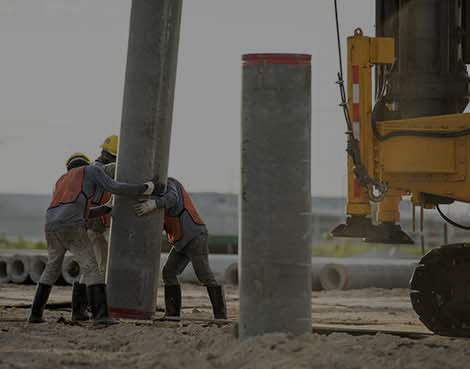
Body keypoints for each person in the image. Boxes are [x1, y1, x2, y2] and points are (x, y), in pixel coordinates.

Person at [29, 152, 157, 326]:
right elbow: (115, 187)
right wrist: (145, 188)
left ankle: (35, 315)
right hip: (72, 226)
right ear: (85, 163)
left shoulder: (62, 180)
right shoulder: (90, 170)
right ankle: (101, 316)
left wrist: (105, 209)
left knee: (51, 268)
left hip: (51, 225)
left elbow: (80, 212)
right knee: (91, 269)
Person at [134, 177, 227, 319]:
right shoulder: (155, 194)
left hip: (194, 236)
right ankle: (172, 314)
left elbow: (172, 198)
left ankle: (220, 315)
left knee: (204, 275)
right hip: (180, 240)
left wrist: (154, 204)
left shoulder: (170, 183)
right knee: (169, 273)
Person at [72, 136, 117, 322]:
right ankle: (90, 310)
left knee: (90, 268)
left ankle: (81, 310)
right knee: (96, 269)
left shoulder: (93, 169)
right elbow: (113, 172)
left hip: (89, 227)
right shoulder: (99, 170)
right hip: (93, 228)